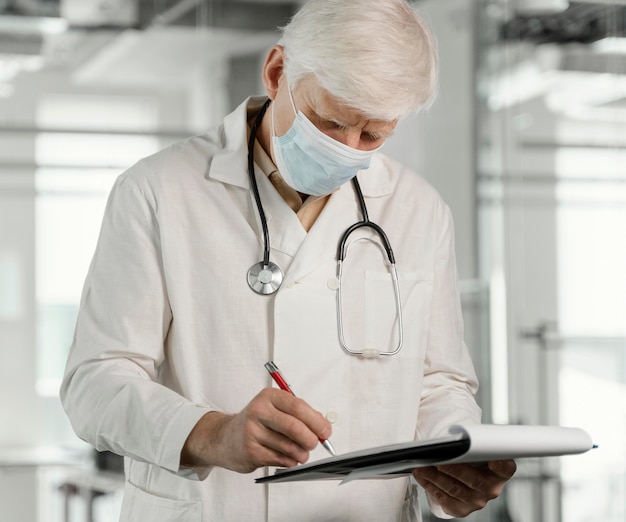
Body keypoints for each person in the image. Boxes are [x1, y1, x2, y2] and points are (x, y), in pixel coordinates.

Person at [61, 0, 516, 520]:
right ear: (278, 72)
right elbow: (95, 383)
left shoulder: (418, 208)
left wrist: (453, 456)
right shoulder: (158, 190)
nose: (347, 149)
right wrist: (213, 434)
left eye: (373, 134)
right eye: (329, 122)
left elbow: (439, 383)